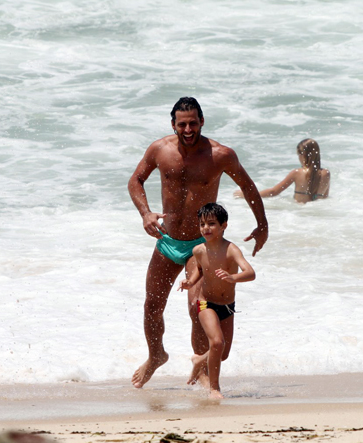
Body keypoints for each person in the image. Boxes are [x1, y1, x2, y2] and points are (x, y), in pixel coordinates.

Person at [128, 97, 268, 389]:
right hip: (167, 240)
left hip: (200, 244)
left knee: (197, 308)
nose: (188, 129)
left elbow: (247, 185)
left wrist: (262, 225)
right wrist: (145, 213)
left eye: (193, 122)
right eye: (182, 124)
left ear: (202, 121)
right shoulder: (160, 149)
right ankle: (156, 356)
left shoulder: (220, 154)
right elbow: (136, 180)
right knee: (152, 305)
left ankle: (202, 365)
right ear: (173, 125)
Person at [178, 203, 255, 399]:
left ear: (224, 226)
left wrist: (233, 278)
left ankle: (198, 361)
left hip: (227, 305)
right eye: (202, 224)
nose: (206, 228)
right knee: (217, 342)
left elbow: (250, 273)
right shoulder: (198, 250)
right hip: (205, 303)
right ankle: (215, 389)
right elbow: (201, 271)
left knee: (223, 353)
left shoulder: (231, 249)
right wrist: (190, 282)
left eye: (211, 224)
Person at [234, 138, 330, 203]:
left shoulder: (297, 173)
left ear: (303, 155)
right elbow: (324, 200)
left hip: (300, 215)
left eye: (298, 154)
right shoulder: (326, 174)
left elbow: (273, 192)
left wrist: (247, 195)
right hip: (317, 219)